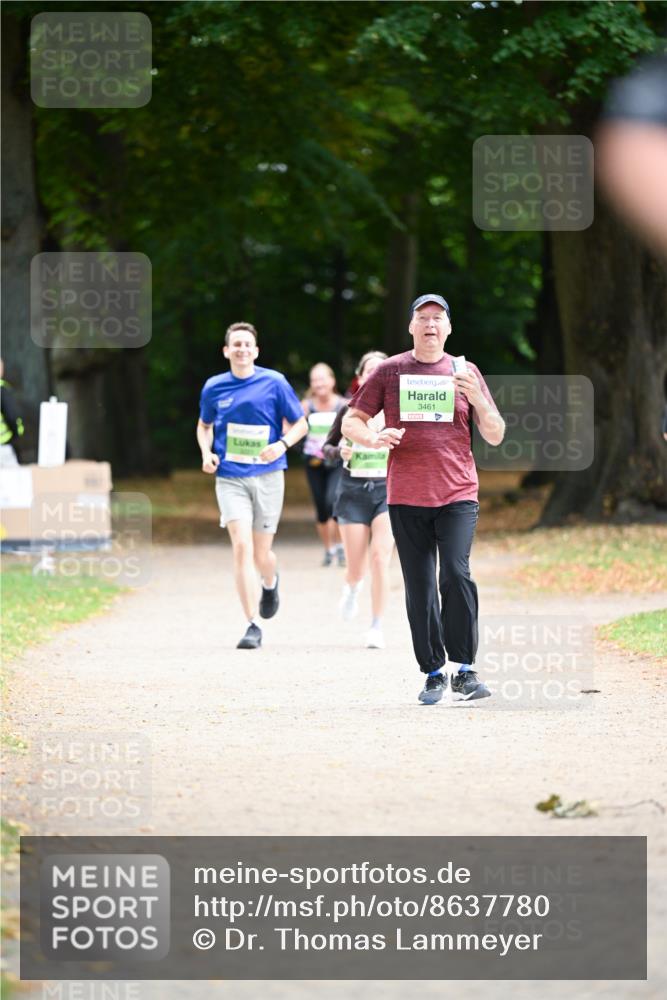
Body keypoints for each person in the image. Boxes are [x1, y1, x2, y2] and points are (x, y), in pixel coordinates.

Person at [342, 294, 505, 705]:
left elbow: (496, 433)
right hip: (407, 494)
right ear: (411, 327)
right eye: (422, 318)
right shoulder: (390, 370)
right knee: (419, 586)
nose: (430, 324)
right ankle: (433, 672)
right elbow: (351, 420)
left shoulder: (465, 371)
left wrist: (480, 399)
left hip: (457, 492)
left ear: (448, 328)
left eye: (438, 318)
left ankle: (464, 670)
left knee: (455, 572)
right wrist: (373, 438)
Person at [197, 322, 308, 650]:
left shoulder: (274, 382)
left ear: (256, 351)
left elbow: (301, 423)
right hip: (230, 476)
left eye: (247, 344)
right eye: (236, 344)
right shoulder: (214, 386)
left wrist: (282, 445)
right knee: (242, 547)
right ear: (227, 351)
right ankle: (252, 624)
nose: (242, 349)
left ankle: (270, 583)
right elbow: (204, 426)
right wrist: (206, 453)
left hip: (269, 475)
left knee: (262, 553)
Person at [323, 351, 394, 649]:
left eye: (382, 371)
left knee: (380, 558)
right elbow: (325, 449)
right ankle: (352, 588)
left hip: (387, 492)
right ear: (361, 377)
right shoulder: (348, 411)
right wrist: (340, 452)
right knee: (356, 567)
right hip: (352, 493)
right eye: (370, 371)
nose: (375, 376)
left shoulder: (396, 411)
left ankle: (376, 624)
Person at [300, 363, 346, 566]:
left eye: (322, 378)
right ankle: (328, 550)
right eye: (314, 379)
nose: (319, 383)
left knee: (333, 502)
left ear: (332, 381)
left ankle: (340, 547)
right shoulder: (306, 406)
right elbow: (294, 427)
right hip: (314, 462)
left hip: (336, 461)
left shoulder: (344, 405)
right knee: (321, 508)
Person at [0, 359, 24, 466]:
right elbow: (12, 415)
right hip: (3, 446)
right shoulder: (2, 390)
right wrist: (17, 432)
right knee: (14, 480)